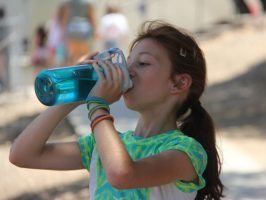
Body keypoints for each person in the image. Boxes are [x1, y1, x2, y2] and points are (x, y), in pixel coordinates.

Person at [9, 20, 224, 199]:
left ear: (178, 83)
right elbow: (22, 155)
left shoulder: (186, 151)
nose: (126, 71)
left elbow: (122, 174)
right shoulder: (102, 145)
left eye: (143, 64)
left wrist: (97, 107)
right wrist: (77, 90)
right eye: (127, 62)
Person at [63, 0, 97, 65]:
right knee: (84, 55)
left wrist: (63, 32)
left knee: (72, 54)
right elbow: (91, 17)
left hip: (71, 28)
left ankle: (72, 72)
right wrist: (95, 31)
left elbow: (65, 17)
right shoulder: (89, 2)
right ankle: (81, 72)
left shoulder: (68, 2)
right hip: (84, 29)